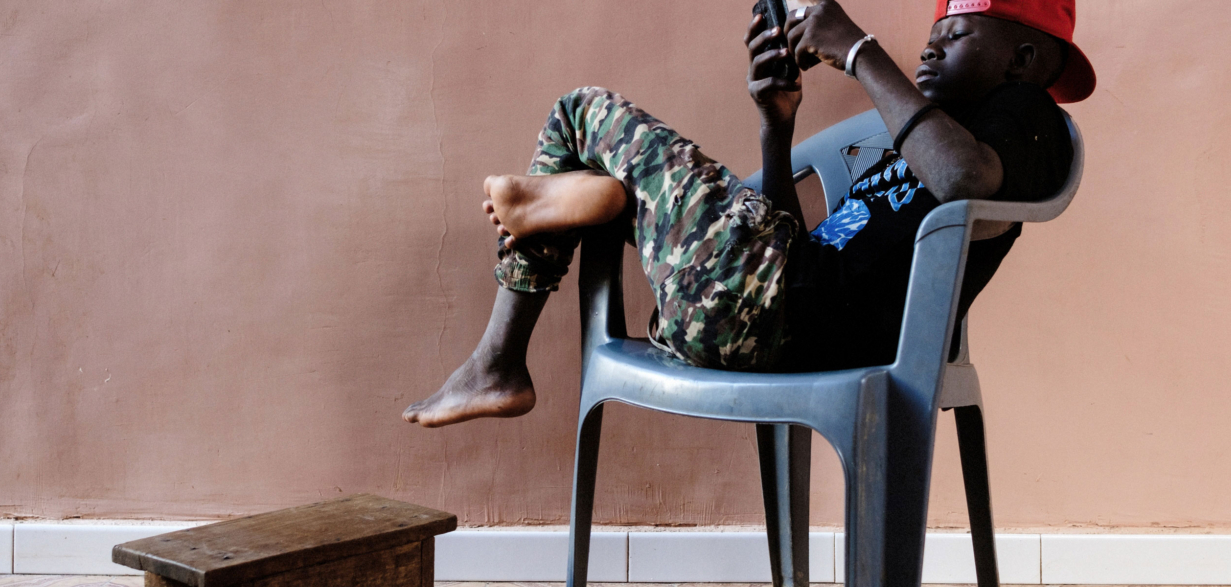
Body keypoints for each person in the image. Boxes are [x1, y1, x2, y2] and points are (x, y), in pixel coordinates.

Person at [403, 0, 1094, 428]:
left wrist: (858, 52)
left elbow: (964, 180)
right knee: (598, 147)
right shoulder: (924, 141)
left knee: (580, 113)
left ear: (1023, 59)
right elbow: (805, 248)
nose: (930, 47)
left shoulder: (1024, 117)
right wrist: (776, 126)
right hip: (753, 310)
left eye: (959, 33)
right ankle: (610, 203)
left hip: (780, 323)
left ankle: (507, 349)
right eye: (934, 31)